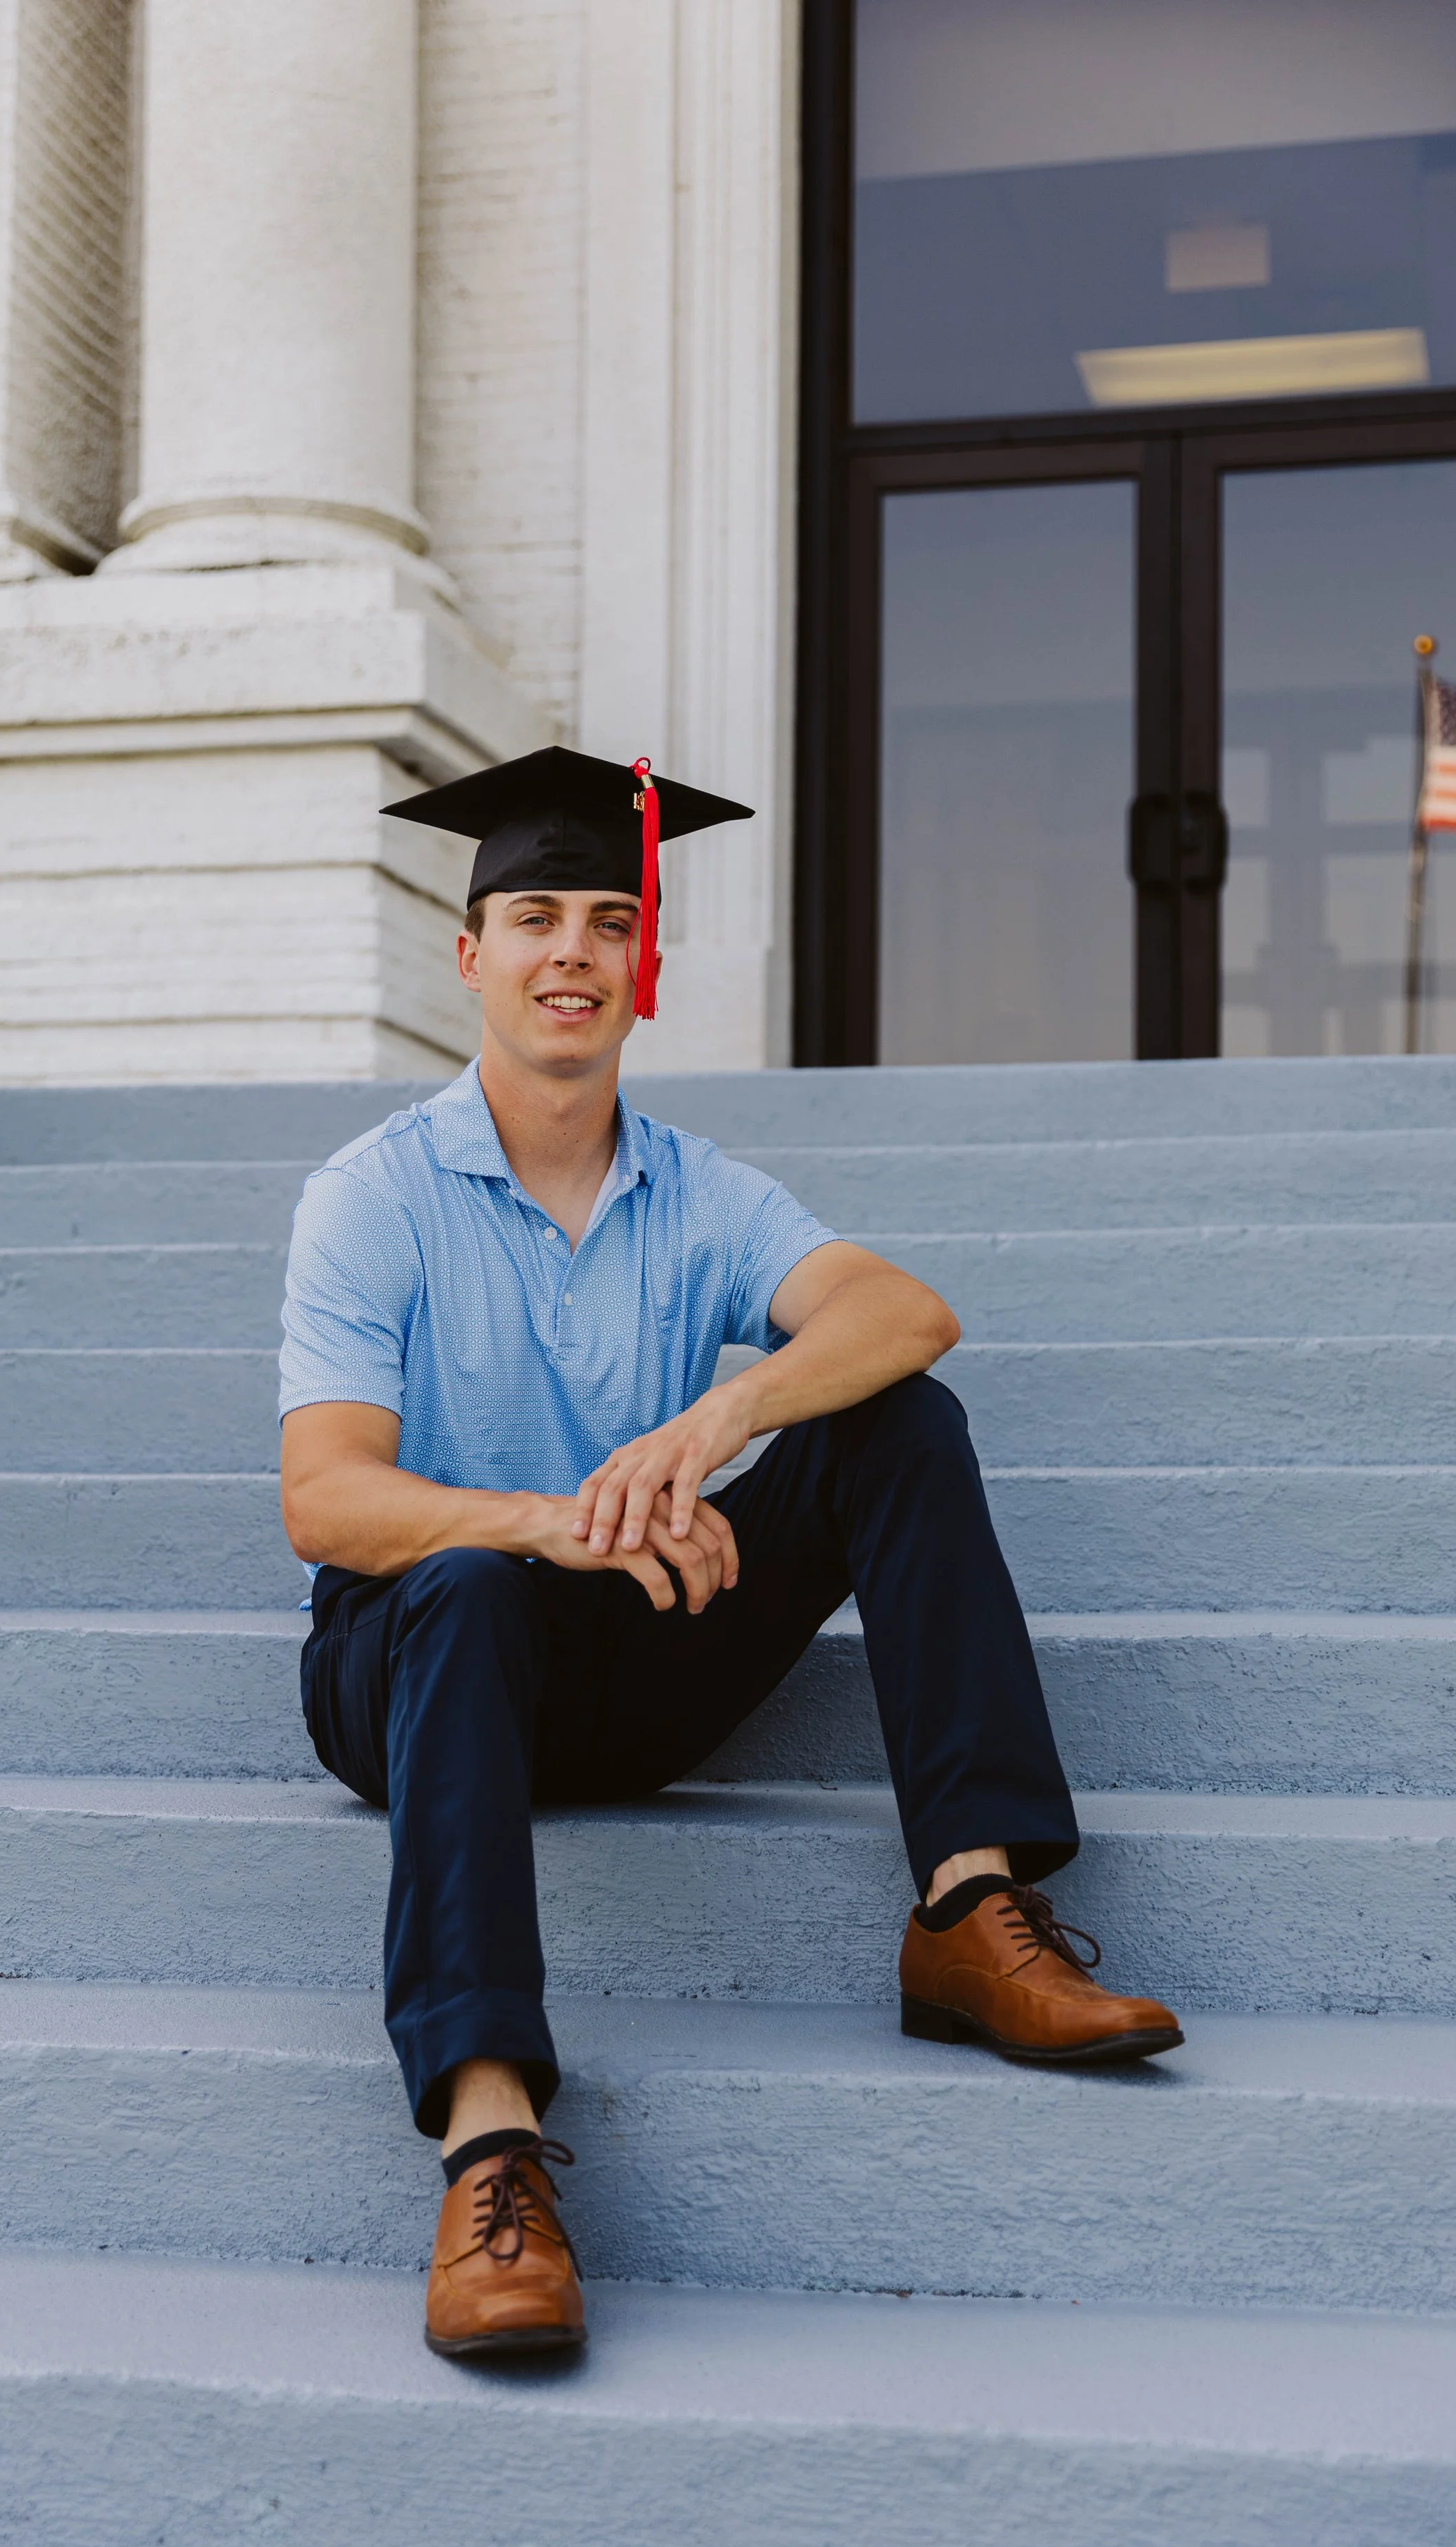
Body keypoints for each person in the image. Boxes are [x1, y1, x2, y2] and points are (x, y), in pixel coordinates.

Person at [278, 746, 1181, 2361]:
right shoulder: (371, 1197)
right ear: (469, 954)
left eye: (609, 921)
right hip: (412, 1665)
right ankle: (490, 2149)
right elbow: (327, 1499)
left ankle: (968, 1908)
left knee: (896, 1416)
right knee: (469, 1583)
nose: (573, 950)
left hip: (632, 1653)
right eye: (535, 916)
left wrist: (721, 1419)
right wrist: (550, 1518)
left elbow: (905, 1310)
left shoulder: (700, 1192)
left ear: (647, 972)